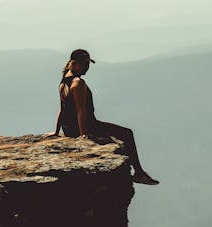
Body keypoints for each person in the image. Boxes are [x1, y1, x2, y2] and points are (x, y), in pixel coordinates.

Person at [45, 48, 159, 186]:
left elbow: (62, 108)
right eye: (84, 64)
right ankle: (139, 173)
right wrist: (83, 135)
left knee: (120, 135)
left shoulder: (64, 81)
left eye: (88, 64)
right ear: (74, 63)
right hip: (88, 126)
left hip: (69, 129)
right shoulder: (78, 83)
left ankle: (140, 173)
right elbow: (81, 111)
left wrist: (57, 131)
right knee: (127, 133)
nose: (87, 67)